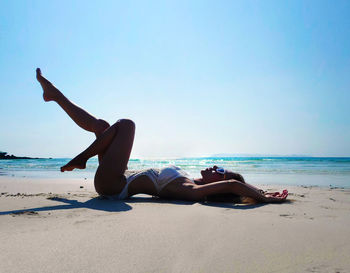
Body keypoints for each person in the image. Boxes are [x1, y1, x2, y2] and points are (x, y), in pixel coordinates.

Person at [36, 68, 288, 203]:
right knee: (102, 126)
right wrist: (260, 189)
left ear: (217, 183)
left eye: (220, 169)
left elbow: (233, 185)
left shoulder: (190, 190)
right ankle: (55, 95)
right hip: (117, 177)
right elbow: (234, 184)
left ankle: (81, 159)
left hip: (113, 186)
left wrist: (262, 197)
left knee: (126, 125)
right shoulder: (189, 179)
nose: (214, 166)